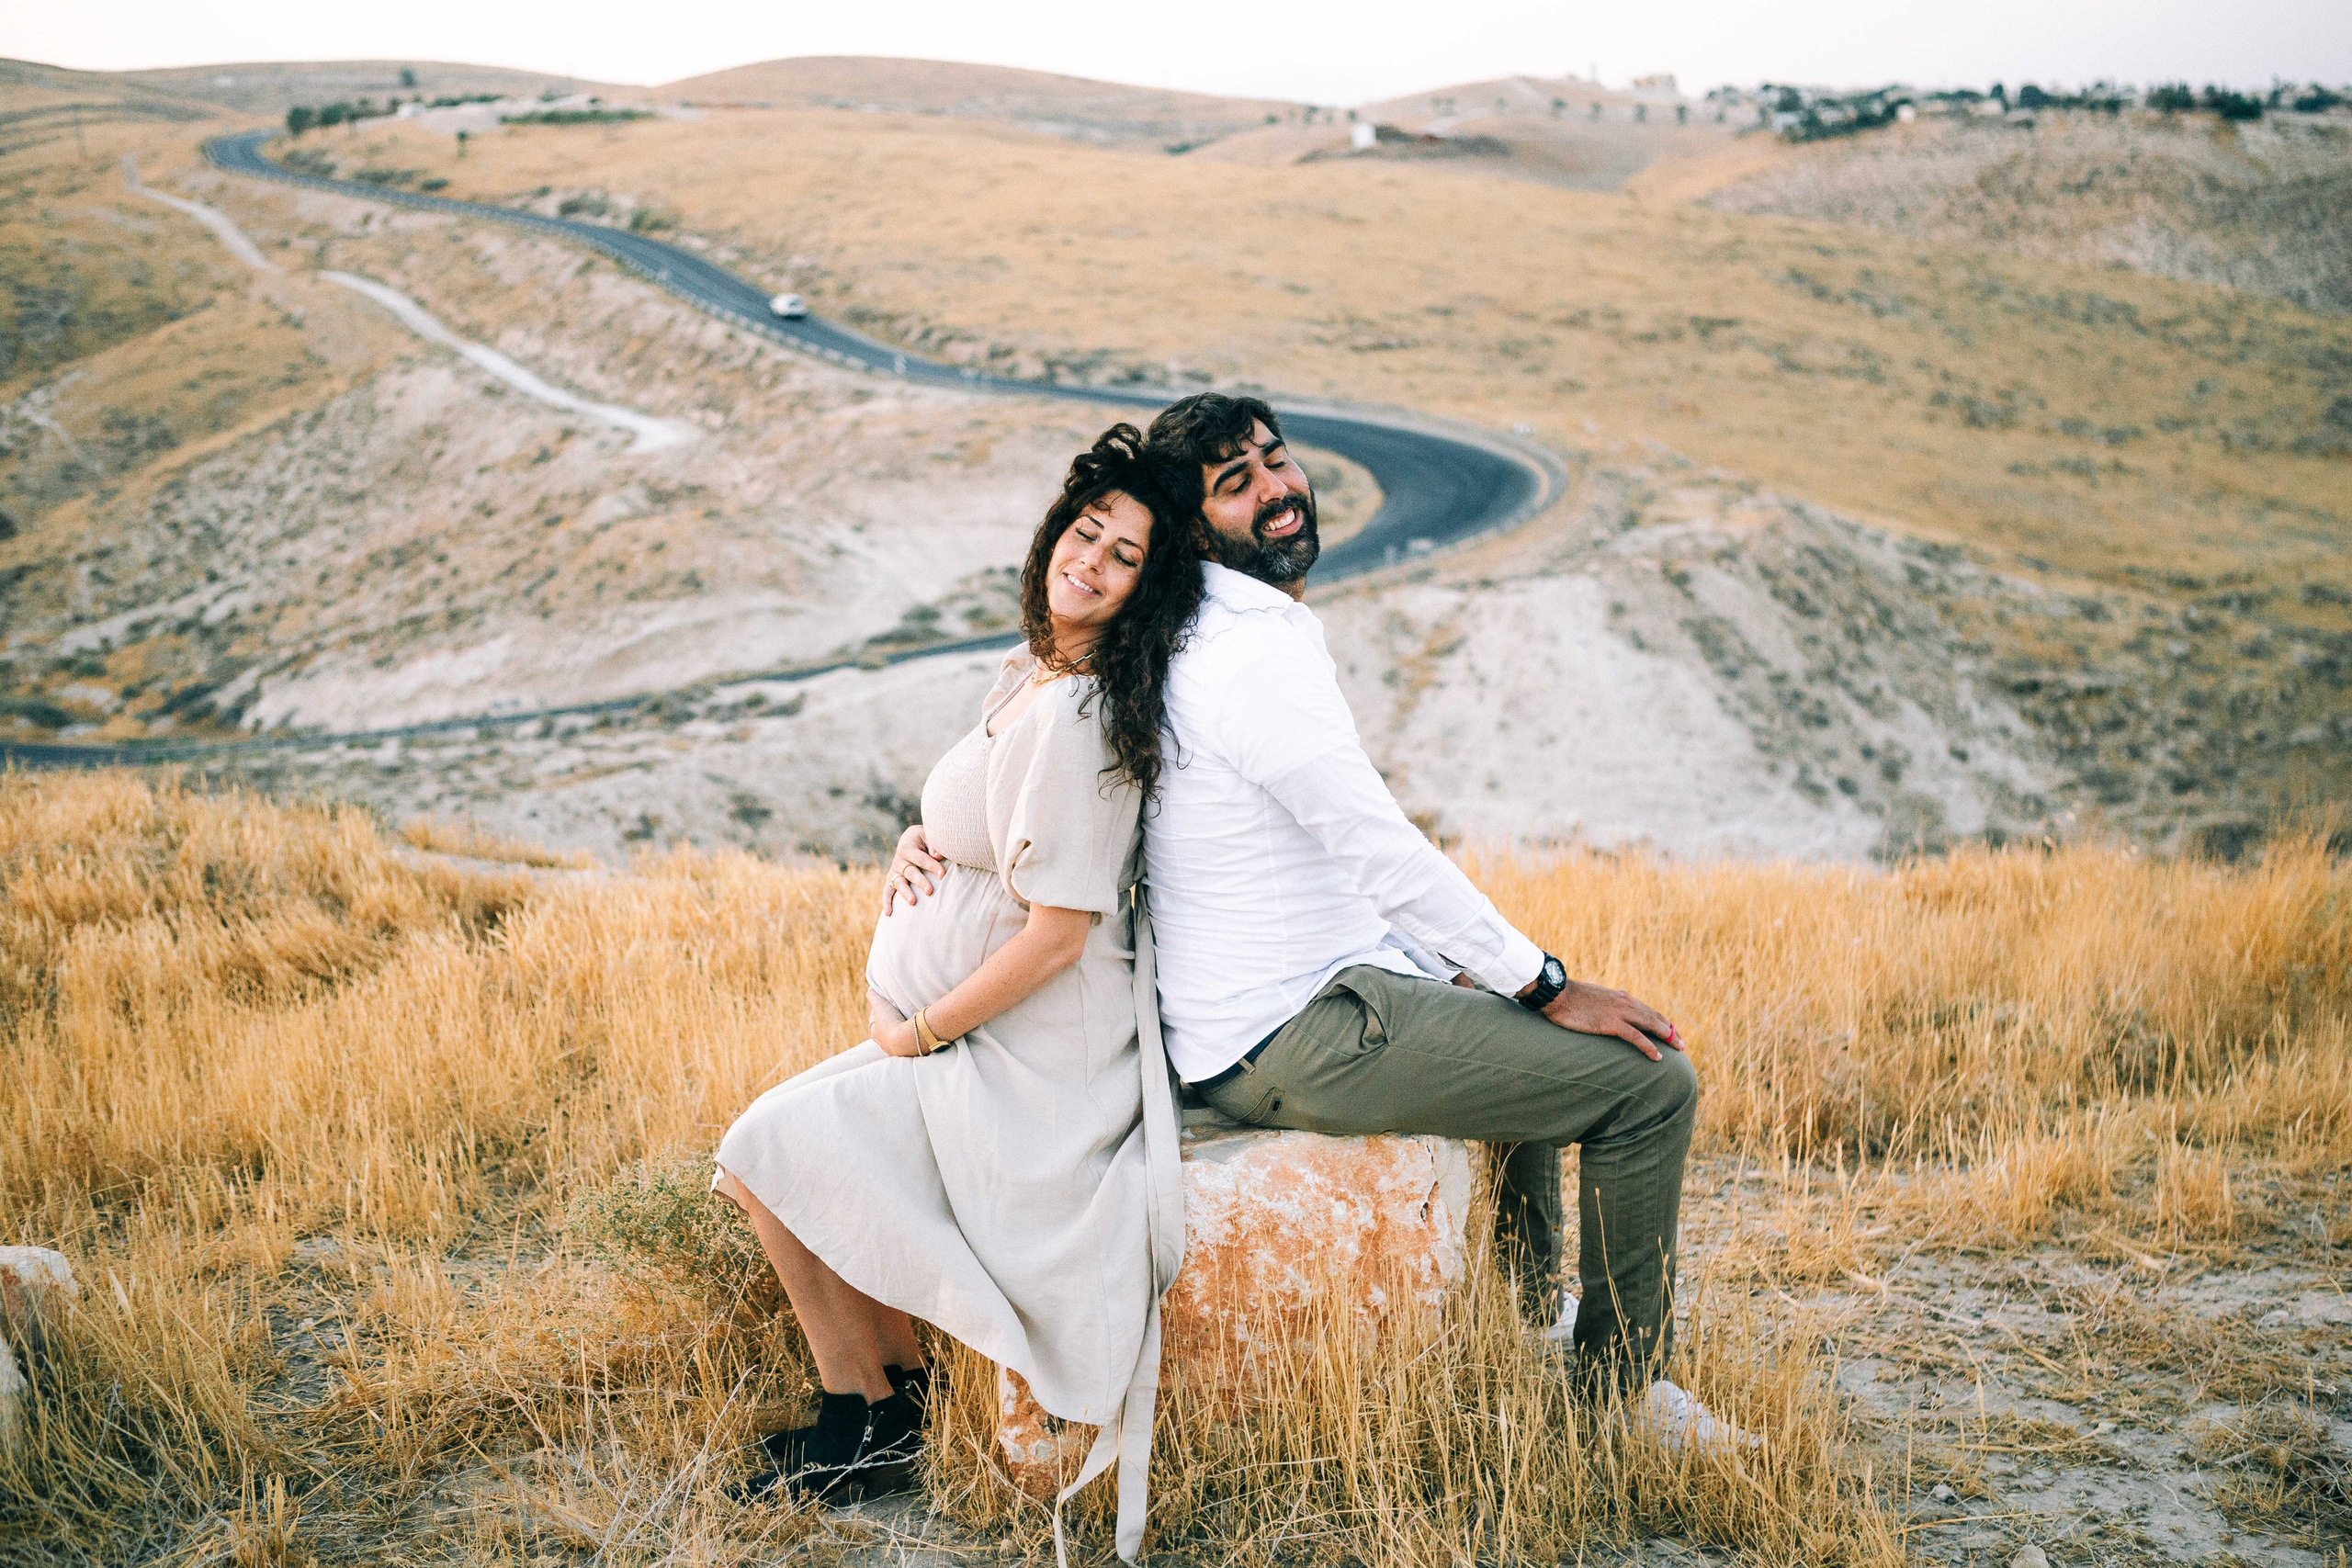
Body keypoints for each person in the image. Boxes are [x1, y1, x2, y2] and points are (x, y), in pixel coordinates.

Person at [1125, 390, 1746, 1450]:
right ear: (1193, 529)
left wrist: (1472, 971)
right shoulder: (1252, 654)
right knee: (1647, 1083)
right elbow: (1375, 846)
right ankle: (1622, 1397)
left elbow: (1323, 859)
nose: (1278, 487)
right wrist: (1542, 981)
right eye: (1237, 483)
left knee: (1499, 1016)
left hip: (1277, 1005)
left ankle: (1521, 1320)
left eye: (1275, 459)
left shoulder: (1214, 632)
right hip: (1287, 1029)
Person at [712, 425, 1194, 1561]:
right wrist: (917, 838)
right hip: (974, 1035)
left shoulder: (1083, 714)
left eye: (1125, 556)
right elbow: (983, 823)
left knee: (767, 1148)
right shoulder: (1034, 674)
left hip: (1032, 1057)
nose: (1092, 561)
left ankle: (867, 1419)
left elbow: (1059, 937)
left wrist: (918, 1031)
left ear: (1145, 591)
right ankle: (889, 1401)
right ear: (1054, 534)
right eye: (1086, 532)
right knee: (768, 1156)